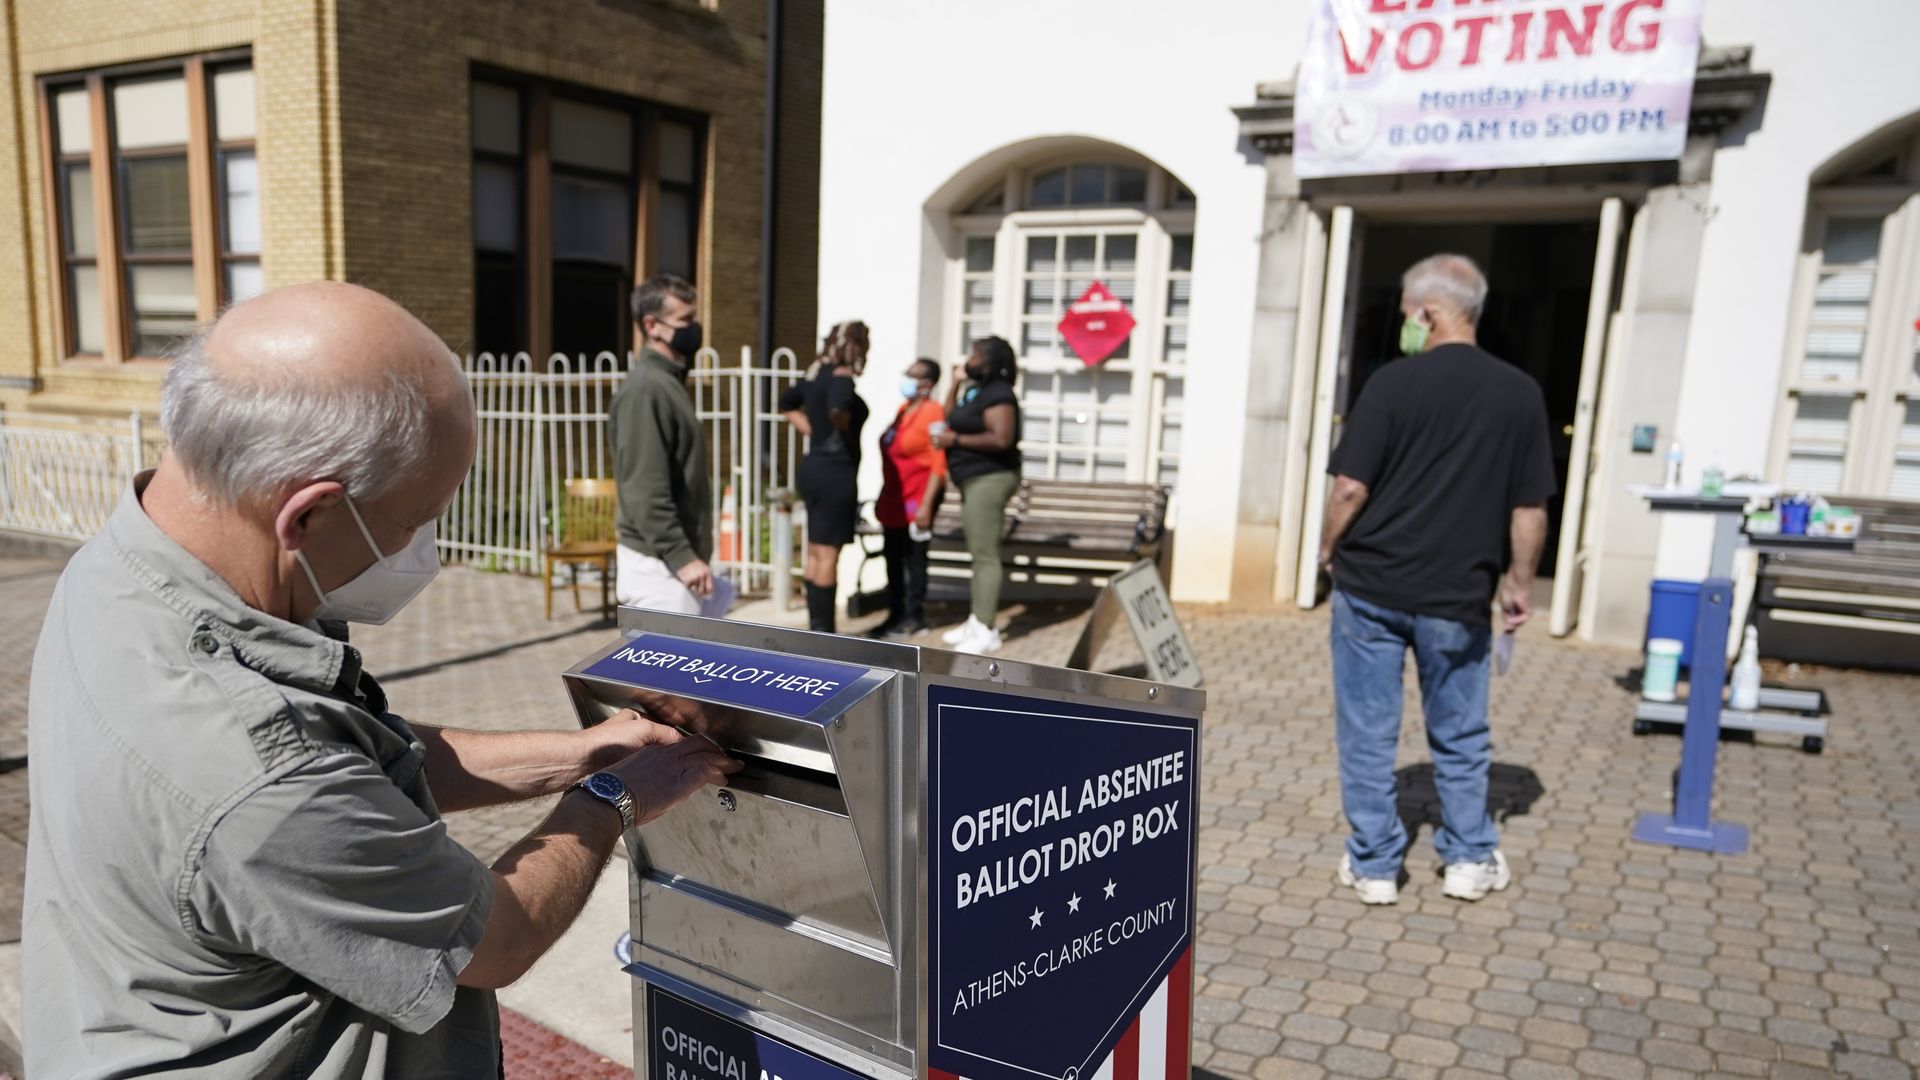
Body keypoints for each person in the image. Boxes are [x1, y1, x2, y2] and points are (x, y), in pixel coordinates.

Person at [21, 282, 739, 1077]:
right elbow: (494, 940)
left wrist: (584, 753)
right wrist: (610, 801)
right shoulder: (248, 765)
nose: (421, 551)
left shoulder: (125, 564)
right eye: (415, 521)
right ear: (308, 516)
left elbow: (354, 769)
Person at [1316, 253, 1554, 906]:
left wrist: (1326, 549)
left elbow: (1349, 486)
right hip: (1457, 595)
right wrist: (1520, 584)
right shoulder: (1520, 393)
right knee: (1461, 733)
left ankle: (1373, 867)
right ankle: (1469, 859)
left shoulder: (1391, 385)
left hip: (1372, 588)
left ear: (1429, 313)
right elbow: (1529, 507)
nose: (1403, 327)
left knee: (1367, 731)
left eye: (1405, 315)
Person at [611, 274, 713, 615]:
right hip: (659, 571)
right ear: (652, 325)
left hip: (673, 567)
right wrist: (682, 556)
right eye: (685, 320)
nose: (694, 327)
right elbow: (644, 488)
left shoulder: (667, 384)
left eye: (694, 318)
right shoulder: (646, 390)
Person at [929, 335, 1022, 655]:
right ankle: (976, 619)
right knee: (978, 550)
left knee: (985, 554)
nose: (968, 360)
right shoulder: (975, 391)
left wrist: (955, 441)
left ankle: (986, 629)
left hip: (990, 478)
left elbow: (1001, 438)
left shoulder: (999, 394)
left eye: (975, 355)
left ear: (991, 362)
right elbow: (948, 414)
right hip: (972, 479)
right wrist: (955, 383)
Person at [779, 320, 871, 633]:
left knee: (816, 548)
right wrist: (838, 422)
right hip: (836, 472)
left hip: (813, 468)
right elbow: (838, 407)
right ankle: (825, 633)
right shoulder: (842, 378)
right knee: (829, 552)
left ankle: (815, 627)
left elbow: (786, 403)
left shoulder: (815, 373)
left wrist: (814, 430)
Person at [873, 357, 948, 638]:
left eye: (912, 374)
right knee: (892, 556)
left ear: (926, 384)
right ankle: (895, 612)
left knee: (914, 559)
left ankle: (914, 615)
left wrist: (927, 505)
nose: (905, 377)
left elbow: (939, 463)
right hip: (894, 496)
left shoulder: (933, 413)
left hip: (917, 498)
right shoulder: (904, 410)